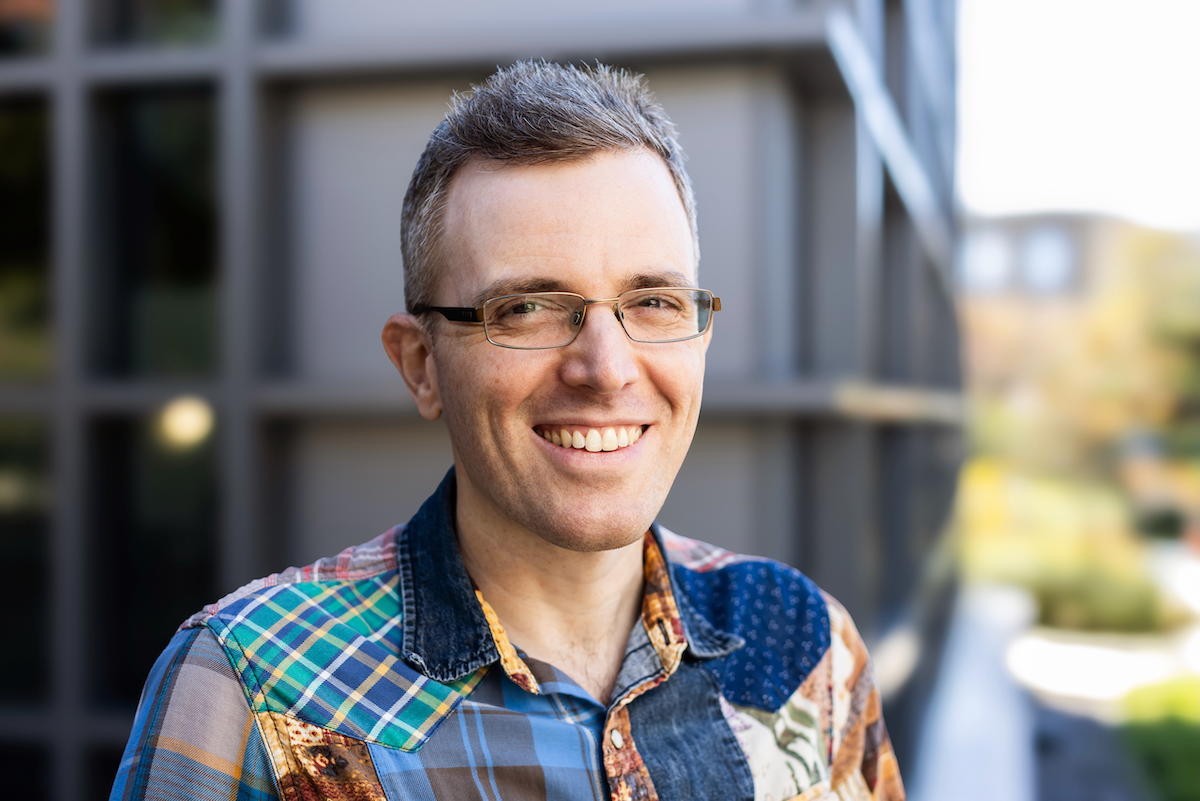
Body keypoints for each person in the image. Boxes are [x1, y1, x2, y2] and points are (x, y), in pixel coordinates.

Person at [111, 60, 904, 801]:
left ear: (700, 336)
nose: (607, 368)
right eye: (525, 308)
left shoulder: (804, 644)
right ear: (421, 364)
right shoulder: (248, 689)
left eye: (654, 301)